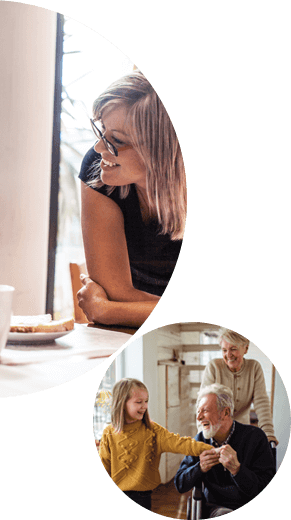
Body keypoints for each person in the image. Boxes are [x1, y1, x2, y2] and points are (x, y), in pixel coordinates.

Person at [77, 72, 185, 327]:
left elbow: (105, 304)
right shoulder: (99, 170)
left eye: (116, 140)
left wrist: (105, 311)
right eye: (102, 130)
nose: (99, 148)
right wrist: (115, 305)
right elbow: (114, 292)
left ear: (160, 151)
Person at [97, 378, 213, 511]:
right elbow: (104, 464)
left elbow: (180, 443)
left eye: (146, 401)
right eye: (139, 402)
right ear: (122, 403)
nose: (144, 406)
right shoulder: (108, 433)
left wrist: (211, 449)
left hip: (142, 498)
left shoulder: (153, 431)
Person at [175, 384, 275, 517]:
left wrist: (237, 470)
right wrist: (200, 467)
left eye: (205, 410)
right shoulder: (199, 441)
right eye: (198, 411)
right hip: (214, 509)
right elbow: (180, 484)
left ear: (226, 412)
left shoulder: (256, 437)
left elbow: (263, 486)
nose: (199, 417)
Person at [200, 328, 277, 444]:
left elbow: (261, 403)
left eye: (233, 349)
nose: (228, 355)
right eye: (224, 350)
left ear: (245, 348)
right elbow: (202, 404)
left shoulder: (254, 368)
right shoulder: (214, 367)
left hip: (242, 432)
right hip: (216, 432)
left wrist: (268, 433)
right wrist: (203, 436)